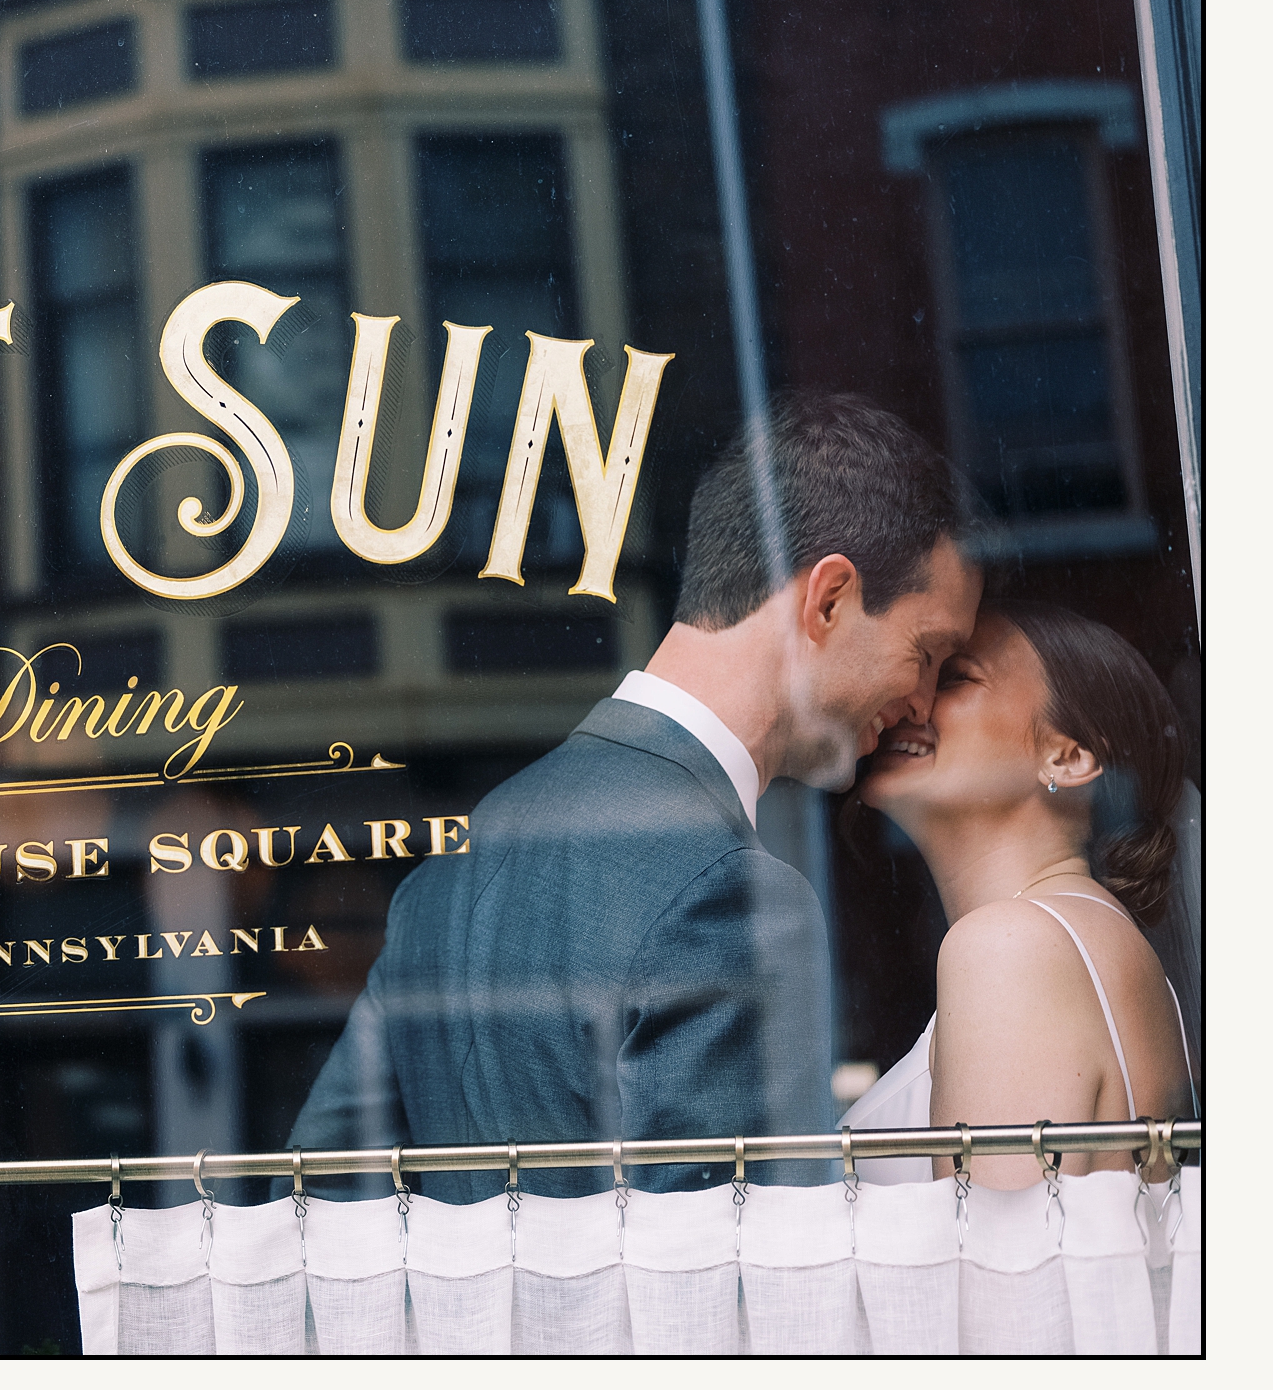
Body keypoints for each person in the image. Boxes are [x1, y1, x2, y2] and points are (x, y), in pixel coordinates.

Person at [287, 393, 982, 1199]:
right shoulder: (733, 892)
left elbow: (318, 1191)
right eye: (928, 653)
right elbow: (746, 1293)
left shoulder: (448, 873)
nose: (926, 704)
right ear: (828, 599)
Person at [840, 603, 1198, 1186]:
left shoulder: (1012, 948)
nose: (912, 697)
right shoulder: (1079, 940)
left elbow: (997, 1272)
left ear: (1068, 756)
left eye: (953, 676)